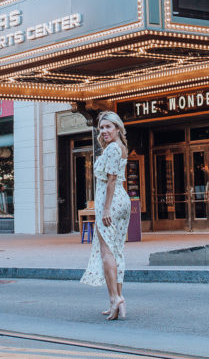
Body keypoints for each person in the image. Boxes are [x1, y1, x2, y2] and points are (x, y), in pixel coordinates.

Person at [79, 110, 131, 320]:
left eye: (108, 126)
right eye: (101, 127)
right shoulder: (121, 148)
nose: (104, 130)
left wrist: (106, 208)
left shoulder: (111, 150)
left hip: (111, 201)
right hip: (122, 200)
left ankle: (114, 298)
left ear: (117, 128)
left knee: (106, 252)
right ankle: (118, 299)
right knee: (117, 251)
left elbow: (110, 180)